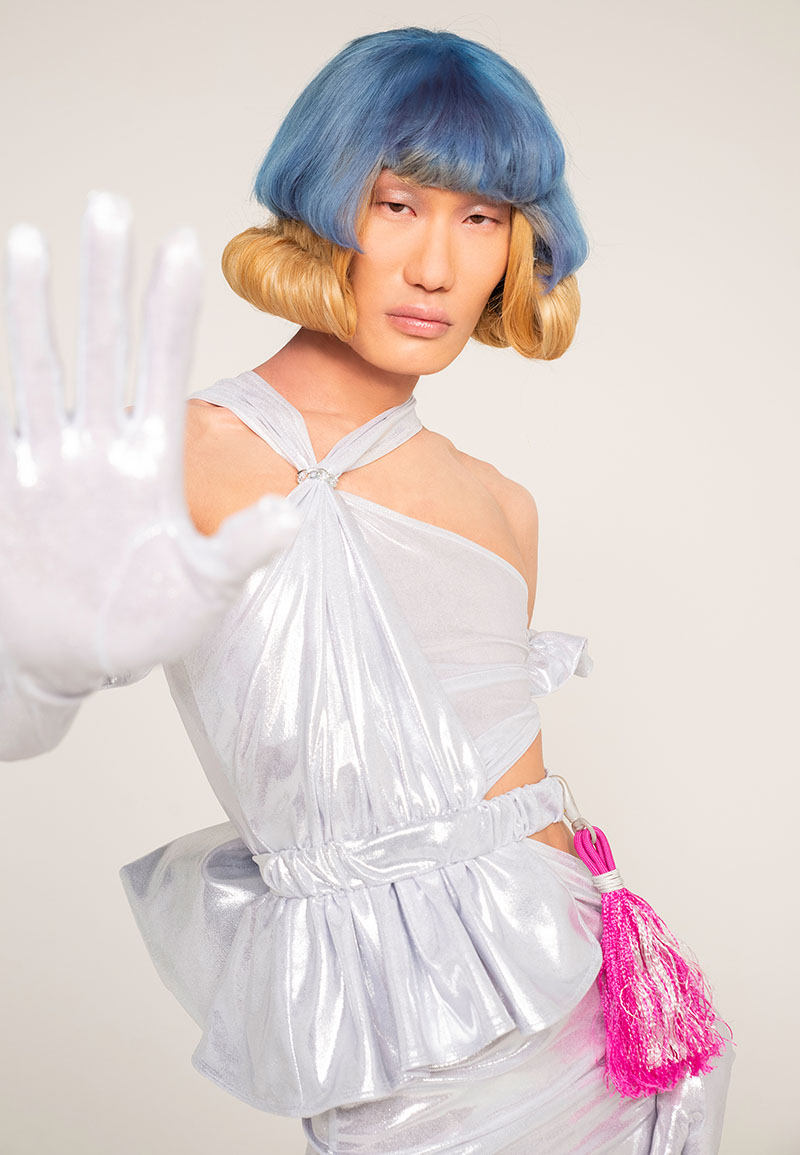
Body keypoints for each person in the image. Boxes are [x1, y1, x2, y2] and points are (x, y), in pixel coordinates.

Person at [0, 25, 732, 1155]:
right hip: (403, 1066)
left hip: (605, 1027)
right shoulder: (182, 456)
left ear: (516, 245)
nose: (435, 266)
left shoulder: (500, 504)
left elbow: (521, 812)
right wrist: (34, 670)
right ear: (324, 205)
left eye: (480, 217)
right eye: (398, 204)